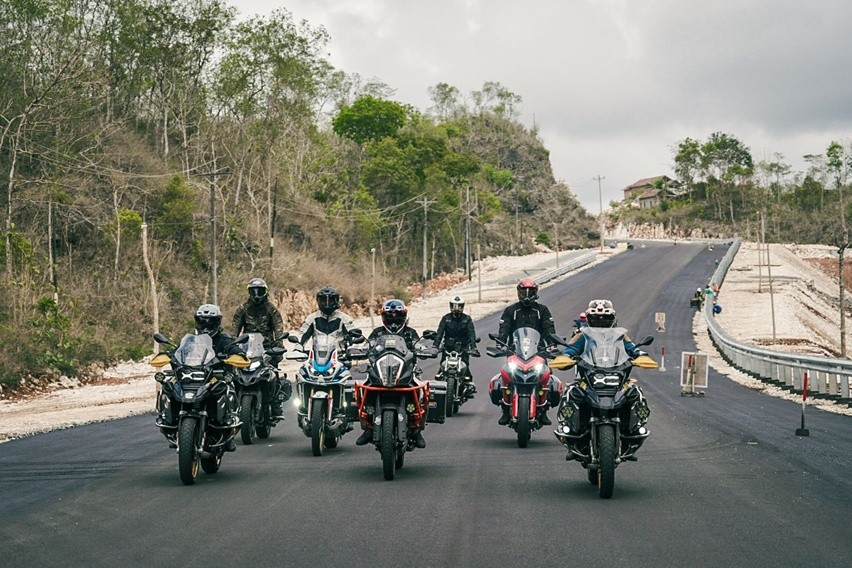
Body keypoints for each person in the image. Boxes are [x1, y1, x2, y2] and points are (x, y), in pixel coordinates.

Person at [355, 299, 427, 448]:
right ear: (383, 316)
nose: (393, 318)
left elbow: (418, 344)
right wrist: (359, 351)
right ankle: (368, 428)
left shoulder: (410, 332)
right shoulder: (377, 332)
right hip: (379, 371)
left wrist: (425, 350)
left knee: (422, 393)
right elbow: (367, 345)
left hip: (406, 371)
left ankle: (416, 430)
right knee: (364, 390)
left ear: (404, 315)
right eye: (390, 315)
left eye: (397, 314)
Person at [493, 279, 558, 426]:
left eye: (530, 292)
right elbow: (504, 330)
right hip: (516, 351)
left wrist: (552, 345)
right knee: (505, 377)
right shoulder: (511, 310)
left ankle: (544, 410)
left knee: (546, 378)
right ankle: (505, 409)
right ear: (518, 293)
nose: (527, 295)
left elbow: (549, 329)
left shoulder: (542, 310)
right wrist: (500, 343)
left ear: (536, 293)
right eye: (524, 292)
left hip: (538, 351)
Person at [231, 277, 287, 418]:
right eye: (253, 291)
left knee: (273, 373)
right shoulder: (242, 309)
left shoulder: (272, 310)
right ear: (249, 292)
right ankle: (232, 403)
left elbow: (278, 328)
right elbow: (234, 330)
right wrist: (231, 345)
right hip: (246, 348)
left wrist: (279, 345)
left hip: (267, 347)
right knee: (233, 375)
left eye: (259, 291)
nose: (256, 294)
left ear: (265, 292)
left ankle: (275, 404)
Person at [195, 303, 244, 452]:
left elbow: (234, 348)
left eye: (210, 321)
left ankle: (228, 430)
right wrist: (172, 355)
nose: (206, 325)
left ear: (217, 322)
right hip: (197, 376)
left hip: (218, 376)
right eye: (202, 321)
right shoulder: (193, 339)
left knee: (230, 389)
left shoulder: (223, 338)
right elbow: (180, 351)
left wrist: (237, 355)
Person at [562, 299, 644, 359]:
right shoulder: (583, 335)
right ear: (588, 319)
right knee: (575, 383)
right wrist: (566, 356)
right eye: (595, 318)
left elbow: (631, 347)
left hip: (618, 370)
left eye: (606, 318)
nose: (600, 322)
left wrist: (640, 354)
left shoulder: (619, 335)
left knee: (631, 383)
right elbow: (572, 348)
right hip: (588, 371)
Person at [434, 295, 479, 395]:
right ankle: (439, 384)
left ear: (462, 306)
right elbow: (439, 333)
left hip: (463, 348)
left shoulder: (467, 319)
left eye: (459, 306)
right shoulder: (446, 318)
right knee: (440, 370)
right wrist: (435, 346)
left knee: (466, 367)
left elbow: (472, 333)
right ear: (450, 306)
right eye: (454, 306)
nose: (456, 308)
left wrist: (473, 347)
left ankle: (468, 385)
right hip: (448, 348)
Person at [297, 285, 357, 351]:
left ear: (336, 301)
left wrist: (353, 348)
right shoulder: (312, 318)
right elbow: (303, 335)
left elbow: (353, 334)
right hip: (317, 356)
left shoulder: (344, 318)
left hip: (340, 356)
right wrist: (297, 348)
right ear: (318, 301)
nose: (327, 304)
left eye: (330, 301)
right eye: (323, 301)